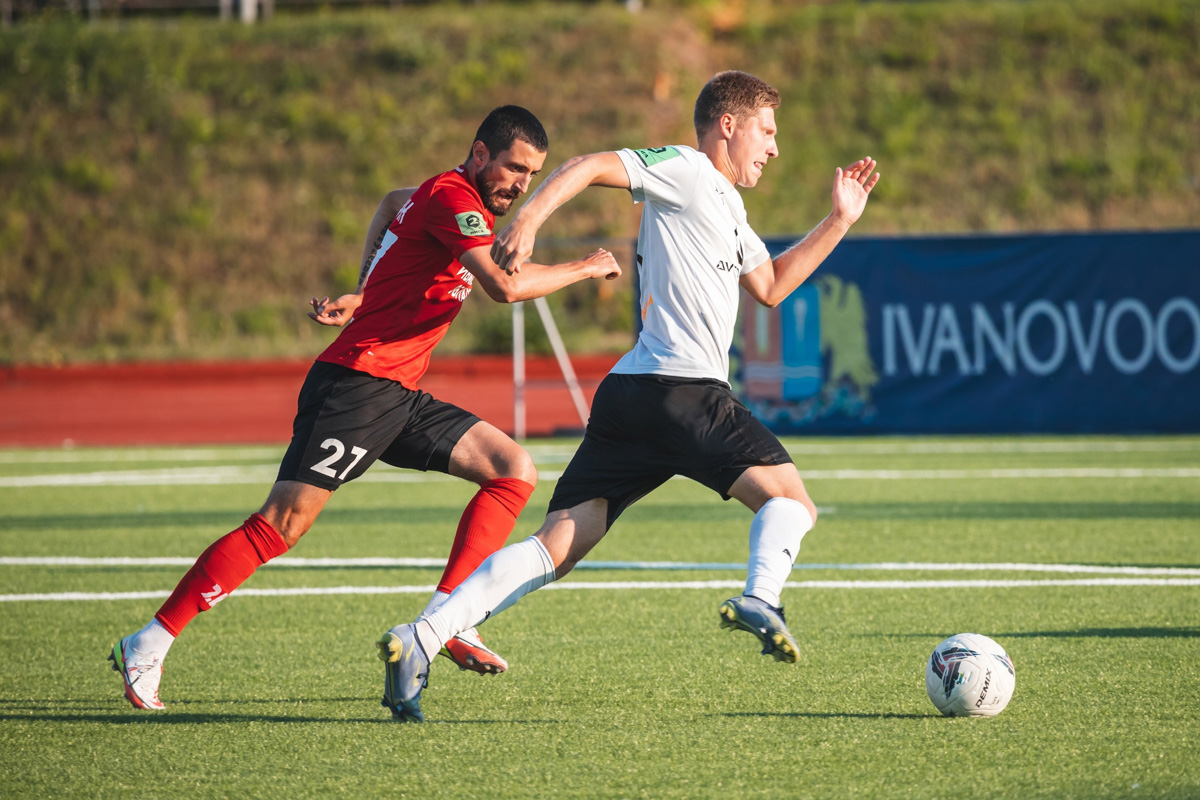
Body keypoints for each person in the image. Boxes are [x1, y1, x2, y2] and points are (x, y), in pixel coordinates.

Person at [378, 71, 879, 722]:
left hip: (635, 396)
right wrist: (526, 220)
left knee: (556, 547)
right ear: (728, 125)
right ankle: (761, 597)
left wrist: (839, 220)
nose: (775, 147)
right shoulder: (688, 169)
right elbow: (588, 165)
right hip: (681, 388)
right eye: (768, 130)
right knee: (791, 502)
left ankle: (421, 637)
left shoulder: (726, 204)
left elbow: (774, 285)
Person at [108, 105, 621, 710]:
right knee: (280, 525)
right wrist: (583, 268)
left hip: (396, 394)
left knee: (513, 470)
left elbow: (386, 204)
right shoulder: (454, 196)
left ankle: (447, 617)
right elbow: (503, 286)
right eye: (513, 167)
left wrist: (363, 291)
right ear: (480, 154)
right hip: (353, 387)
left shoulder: (445, 199)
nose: (520, 184)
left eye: (531, 175)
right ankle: (149, 642)